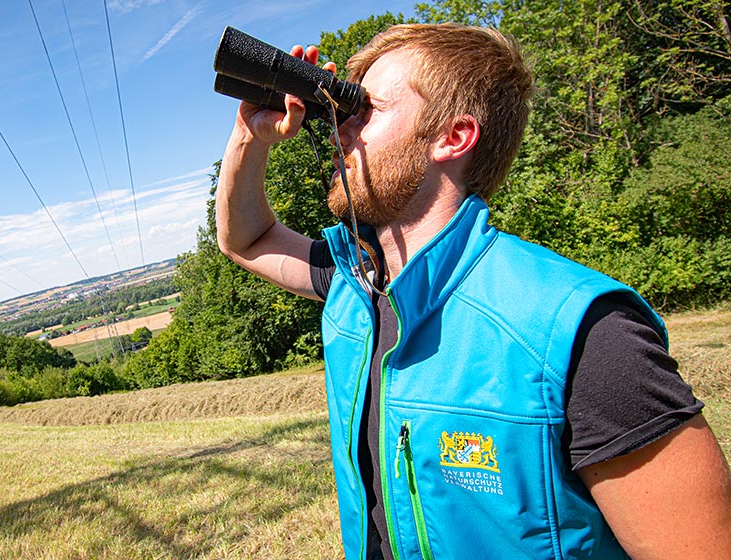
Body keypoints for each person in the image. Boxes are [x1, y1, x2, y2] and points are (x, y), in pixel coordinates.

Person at [215, 23, 731, 560]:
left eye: (364, 110)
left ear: (452, 137)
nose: (340, 131)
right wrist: (251, 137)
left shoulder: (579, 334)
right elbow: (244, 238)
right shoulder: (356, 283)